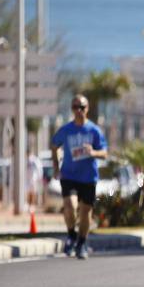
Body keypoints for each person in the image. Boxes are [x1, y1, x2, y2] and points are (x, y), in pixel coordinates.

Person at [50, 95, 107, 260]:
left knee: (85, 212)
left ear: (87, 108)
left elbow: (105, 153)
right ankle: (71, 235)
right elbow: (54, 145)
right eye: (75, 107)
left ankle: (82, 242)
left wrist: (93, 152)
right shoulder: (66, 130)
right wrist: (55, 166)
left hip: (88, 177)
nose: (79, 111)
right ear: (72, 109)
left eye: (82, 107)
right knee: (69, 205)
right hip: (68, 174)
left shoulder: (94, 130)